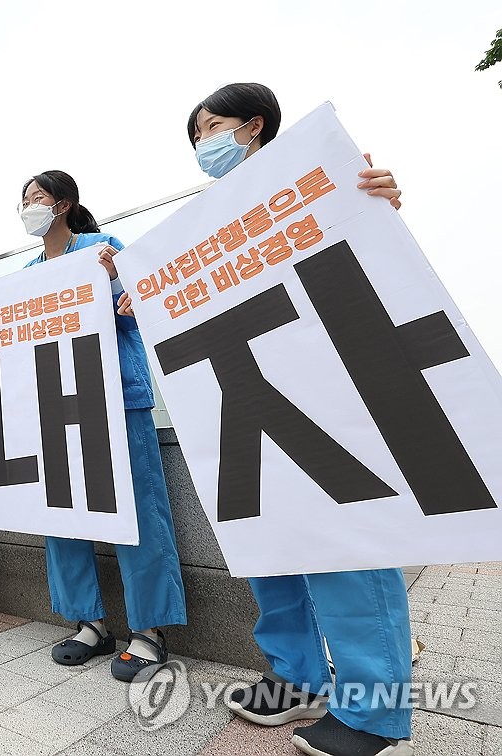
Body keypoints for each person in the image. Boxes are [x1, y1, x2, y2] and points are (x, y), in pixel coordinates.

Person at [175, 83, 410, 756]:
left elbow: (369, 252)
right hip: (245, 395)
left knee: (348, 547)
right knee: (270, 552)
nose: (204, 145)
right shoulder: (204, 219)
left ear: (254, 126)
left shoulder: (319, 178)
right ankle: (296, 679)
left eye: (213, 127)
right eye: (195, 136)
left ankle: (374, 712)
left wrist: (381, 201)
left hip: (325, 390)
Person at [0, 171, 188, 681]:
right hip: (51, 406)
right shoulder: (27, 274)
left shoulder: (103, 249)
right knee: (59, 512)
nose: (27, 207)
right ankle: (89, 622)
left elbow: (142, 311)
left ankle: (149, 630)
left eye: (36, 198)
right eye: (22, 200)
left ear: (63, 204)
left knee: (136, 512)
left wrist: (115, 279)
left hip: (114, 397)